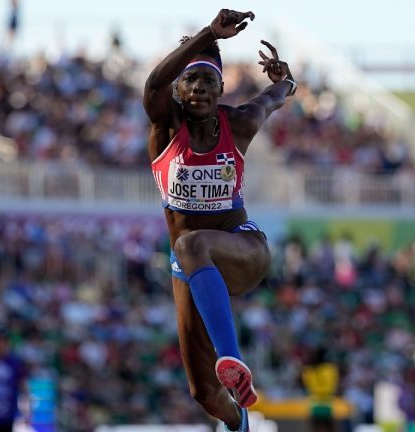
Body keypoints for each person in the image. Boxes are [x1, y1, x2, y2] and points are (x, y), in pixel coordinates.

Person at [143, 8, 296, 432]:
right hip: (190, 266)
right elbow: (154, 83)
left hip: (242, 247)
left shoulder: (239, 124)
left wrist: (286, 80)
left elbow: (274, 97)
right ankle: (237, 421)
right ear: (178, 89)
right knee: (204, 394)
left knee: (191, 243)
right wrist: (208, 34)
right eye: (189, 81)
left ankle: (233, 360)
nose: (197, 89)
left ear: (221, 87)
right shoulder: (165, 127)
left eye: (207, 80)